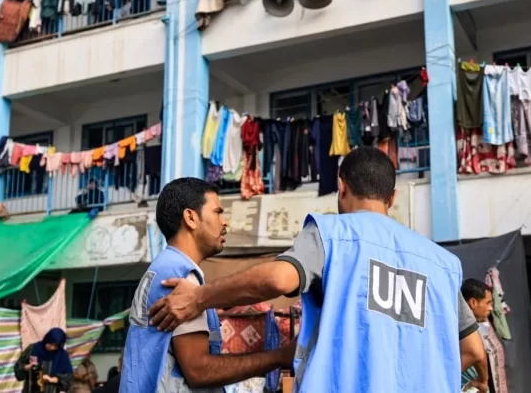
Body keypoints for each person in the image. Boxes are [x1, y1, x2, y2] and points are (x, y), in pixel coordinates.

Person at [147, 147, 477, 393]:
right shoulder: (443, 265)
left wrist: (199, 297)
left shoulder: (333, 235)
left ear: (342, 187)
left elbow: (279, 278)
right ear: (392, 197)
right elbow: (472, 350)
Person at [121, 177, 295, 392]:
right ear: (191, 218)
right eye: (217, 212)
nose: (224, 222)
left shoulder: (164, 267)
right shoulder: (179, 275)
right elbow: (199, 371)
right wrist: (279, 357)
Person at [461, 278, 507, 393]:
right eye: (488, 303)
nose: (491, 308)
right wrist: (483, 381)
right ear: (473, 303)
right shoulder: (464, 330)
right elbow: (478, 355)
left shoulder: (478, 327)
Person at [14, 328, 74, 393]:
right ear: (47, 339)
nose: (52, 348)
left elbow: (69, 377)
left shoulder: (62, 356)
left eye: (56, 346)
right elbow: (18, 366)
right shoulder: (33, 349)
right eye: (50, 344)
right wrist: (28, 367)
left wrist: (52, 379)